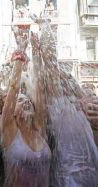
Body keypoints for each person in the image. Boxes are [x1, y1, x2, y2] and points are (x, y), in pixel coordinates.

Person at [30, 14, 98, 186]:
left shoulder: (84, 113)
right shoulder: (60, 108)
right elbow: (51, 62)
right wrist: (45, 26)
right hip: (70, 180)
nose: (68, 82)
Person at [1, 28, 51, 187]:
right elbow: (14, 88)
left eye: (27, 99)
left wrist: (36, 52)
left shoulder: (39, 129)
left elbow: (39, 88)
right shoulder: (9, 130)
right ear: (11, 110)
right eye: (20, 100)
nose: (26, 101)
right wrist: (20, 53)